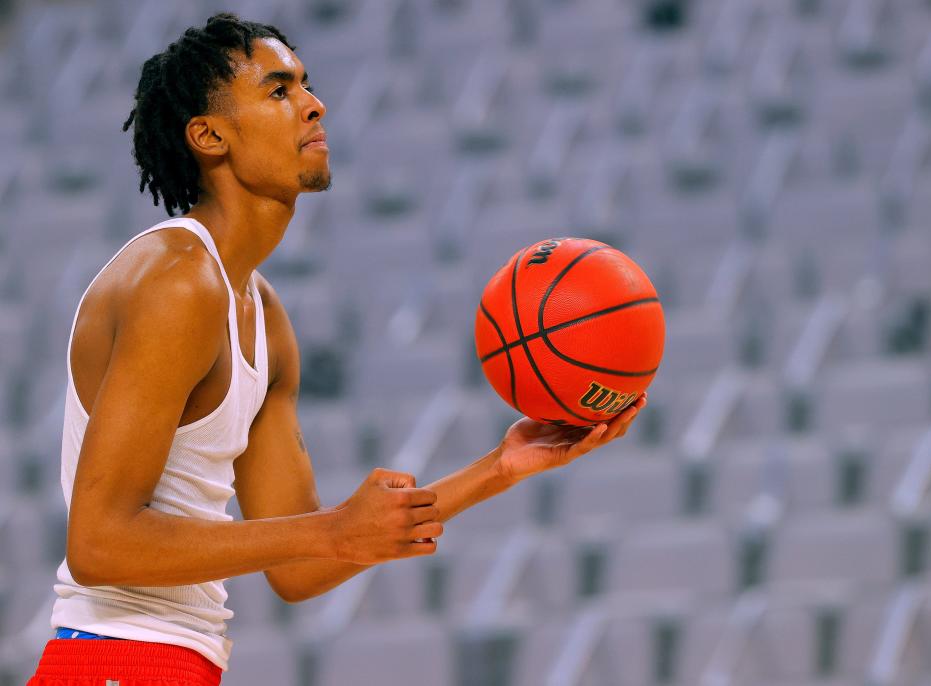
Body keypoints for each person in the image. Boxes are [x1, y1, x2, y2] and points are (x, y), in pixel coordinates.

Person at [26, 12, 646, 686]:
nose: (314, 103)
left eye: (306, 86)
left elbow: (301, 567)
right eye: (277, 90)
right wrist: (331, 530)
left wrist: (499, 467)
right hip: (111, 660)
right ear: (208, 136)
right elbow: (97, 544)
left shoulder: (262, 313)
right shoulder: (175, 281)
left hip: (175, 663)